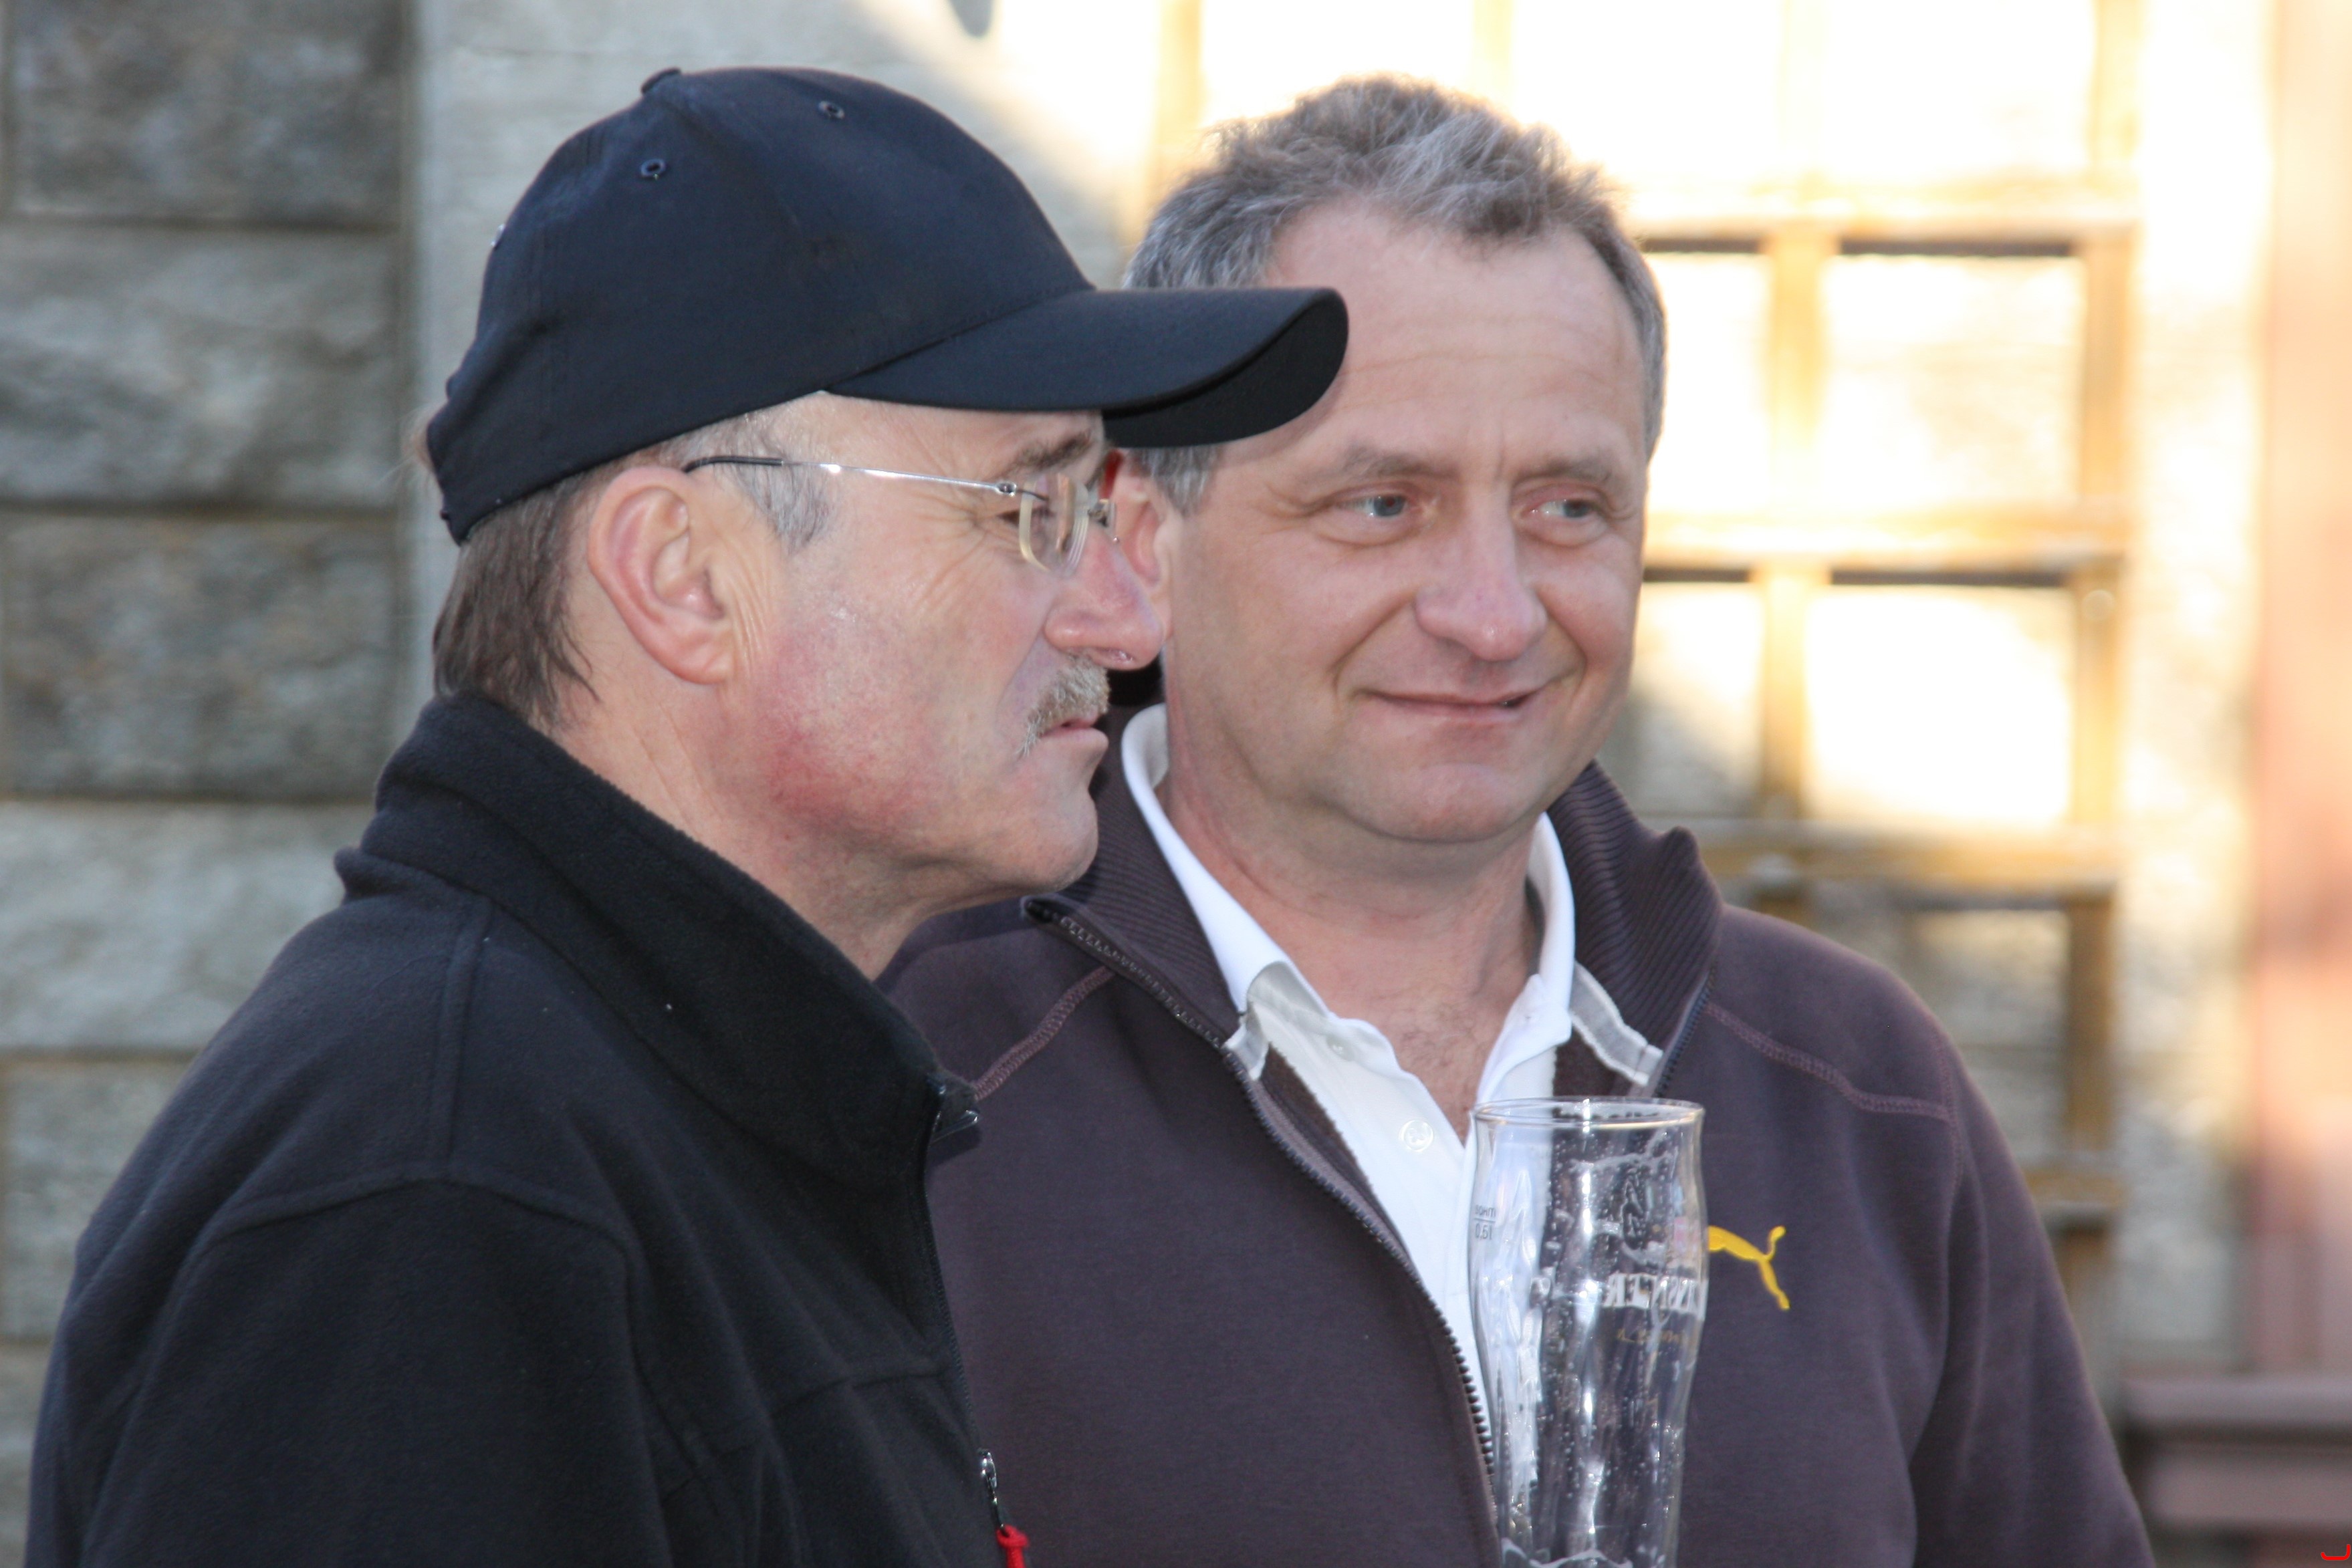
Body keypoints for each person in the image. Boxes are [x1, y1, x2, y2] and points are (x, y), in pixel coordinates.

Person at [26, 67, 1344, 1567]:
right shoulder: (442, 1198)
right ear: (683, 575)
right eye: (1029, 510)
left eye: (1096, 507)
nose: (1124, 617)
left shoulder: (664, 1108)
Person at [887, 76, 2155, 1568]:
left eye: (1567, 508)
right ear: (1141, 535)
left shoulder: (1858, 1096)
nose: (1492, 615)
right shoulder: (910, 1089)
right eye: (1381, 504)